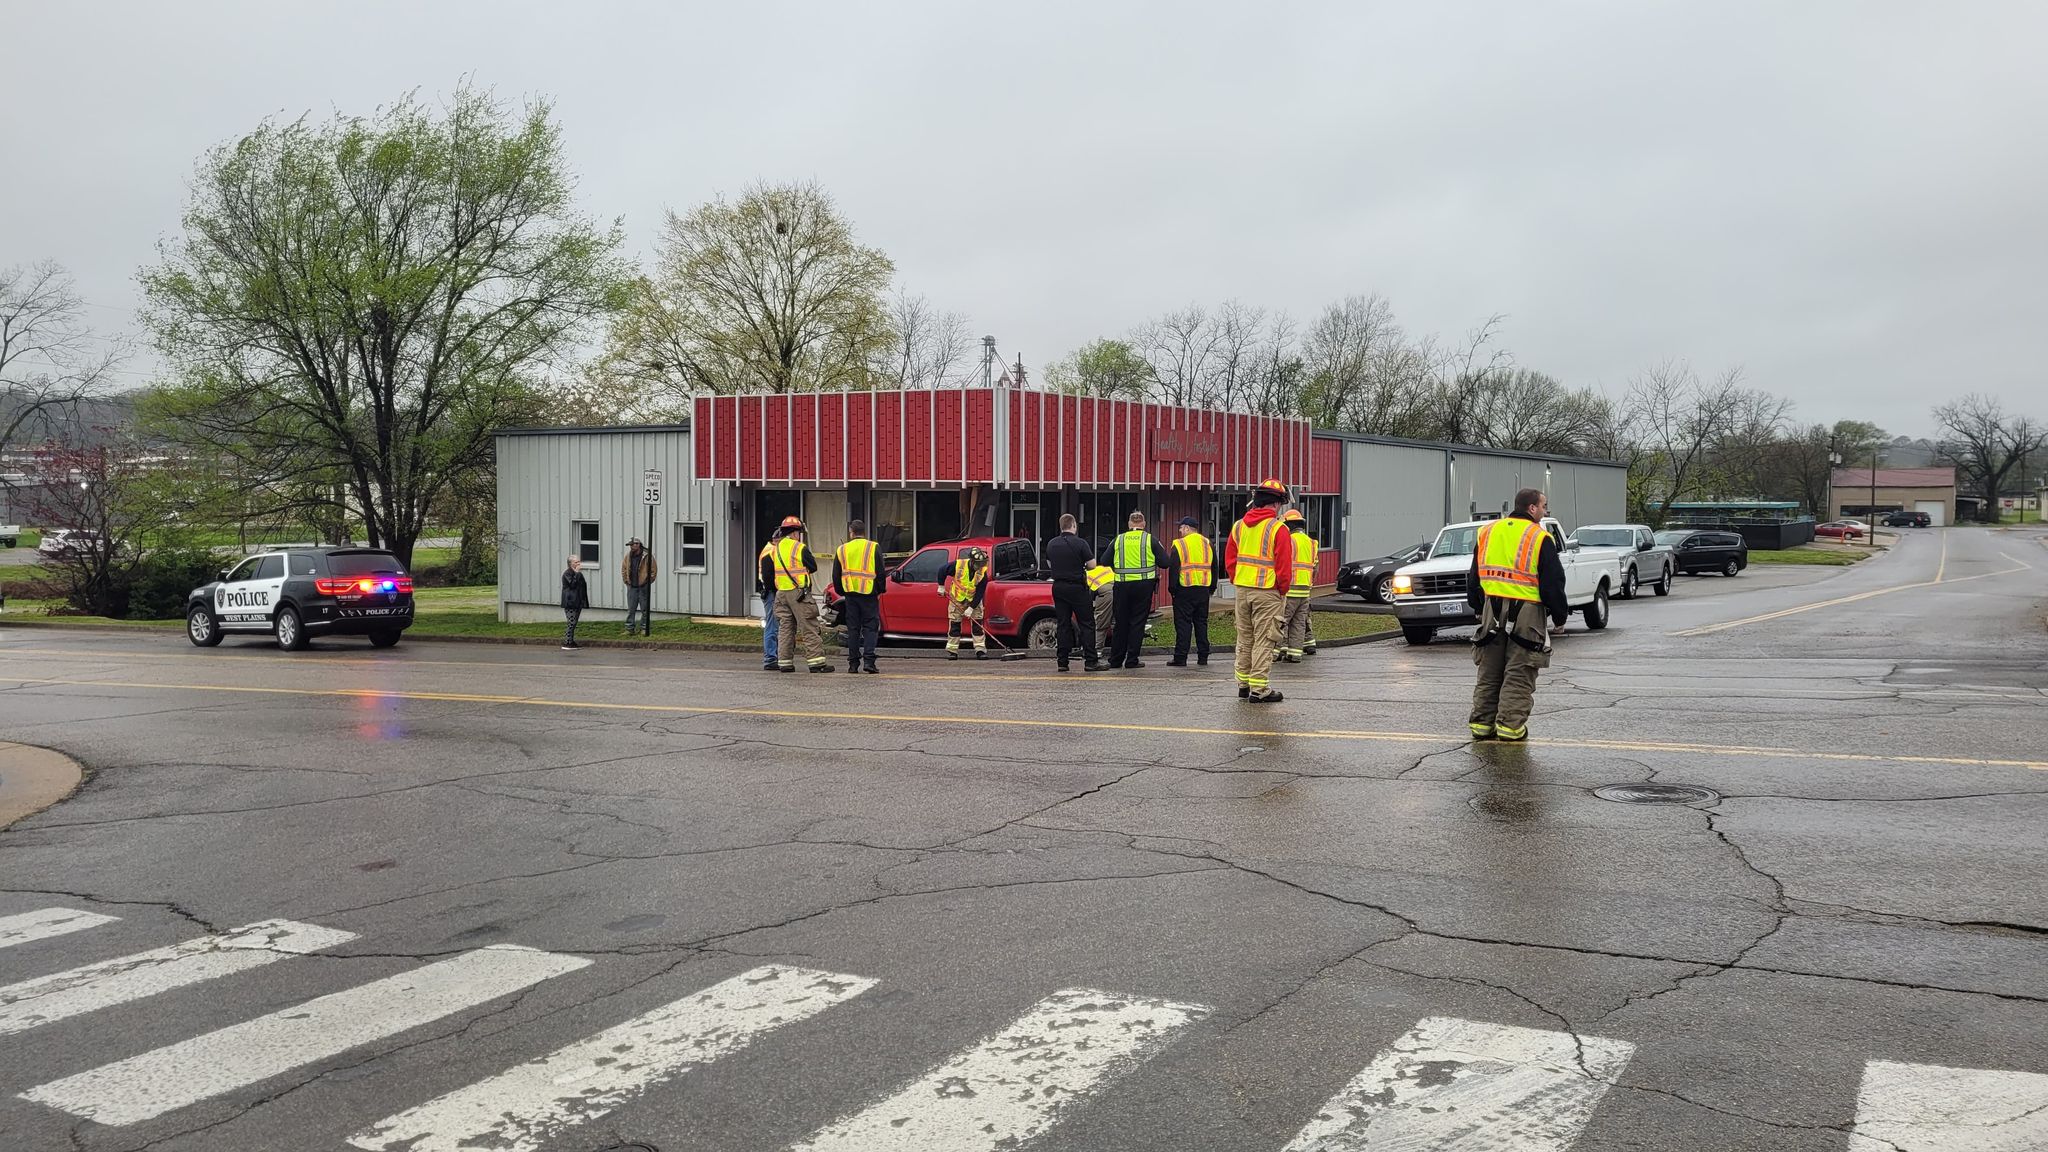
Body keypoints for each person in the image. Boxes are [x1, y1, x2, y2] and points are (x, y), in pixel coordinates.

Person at [1467, 487, 1569, 742]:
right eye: (1544, 506)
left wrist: (1478, 607)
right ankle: (1511, 727)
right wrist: (1560, 616)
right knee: (1520, 670)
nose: (1545, 511)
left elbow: (1474, 575)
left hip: (1492, 607)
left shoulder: (1487, 532)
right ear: (1532, 508)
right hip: (1527, 611)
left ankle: (1481, 724)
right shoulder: (1539, 537)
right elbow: (1553, 582)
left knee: (1489, 670)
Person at [1224, 479, 1295, 702]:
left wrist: (1238, 580)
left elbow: (1230, 560)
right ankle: (1259, 689)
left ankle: (1243, 684)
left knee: (1245, 638)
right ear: (1276, 504)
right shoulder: (1278, 528)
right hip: (1267, 591)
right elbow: (1284, 566)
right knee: (1265, 638)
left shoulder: (1239, 526)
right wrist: (1282, 590)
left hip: (1243, 590)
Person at [764, 515, 833, 673]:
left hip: (781, 594)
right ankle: (816, 663)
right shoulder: (799, 547)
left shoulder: (776, 549)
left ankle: (784, 662)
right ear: (795, 533)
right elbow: (813, 566)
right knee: (809, 626)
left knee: (786, 628)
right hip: (798, 594)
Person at [1103, 511, 1171, 669]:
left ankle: (1116, 660)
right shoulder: (1150, 539)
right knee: (1137, 623)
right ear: (1144, 524)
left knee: (1120, 623)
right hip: (1143, 587)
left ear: (1129, 524)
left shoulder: (1118, 540)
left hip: (1122, 586)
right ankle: (1132, 660)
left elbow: (1104, 561)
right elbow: (1165, 562)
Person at [1045, 514, 1108, 672]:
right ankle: (1091, 661)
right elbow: (1092, 565)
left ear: (1061, 526)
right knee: (1086, 623)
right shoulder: (1080, 543)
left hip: (1058, 587)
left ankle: (1062, 662)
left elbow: (1049, 563)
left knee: (1063, 624)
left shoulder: (1052, 543)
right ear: (1073, 525)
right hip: (1077, 587)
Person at [1166, 516, 1215, 667]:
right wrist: (1211, 588)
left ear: (1187, 528)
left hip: (1184, 590)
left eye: (1181, 527)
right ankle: (1203, 656)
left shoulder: (1179, 545)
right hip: (1203, 589)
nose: (1180, 530)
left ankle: (1181, 657)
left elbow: (1174, 569)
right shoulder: (1208, 543)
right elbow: (1215, 567)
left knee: (1183, 624)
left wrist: (1172, 590)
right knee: (1201, 623)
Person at [834, 520, 881, 674]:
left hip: (850, 594)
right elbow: (880, 571)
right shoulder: (873, 547)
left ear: (851, 532)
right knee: (870, 628)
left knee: (853, 629)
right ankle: (869, 662)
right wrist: (879, 589)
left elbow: (836, 574)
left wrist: (842, 591)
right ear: (864, 532)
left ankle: (853, 664)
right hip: (869, 594)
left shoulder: (842, 549)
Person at [1279, 509, 1316, 662]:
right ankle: (1295, 654)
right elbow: (1315, 568)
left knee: (1281, 621)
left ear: (1290, 525)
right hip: (1305, 590)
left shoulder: (1289, 540)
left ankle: (1275, 652)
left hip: (1290, 588)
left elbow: (1282, 563)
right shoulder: (1311, 542)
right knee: (1299, 623)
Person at [944, 546, 991, 659]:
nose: (981, 567)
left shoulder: (982, 573)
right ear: (972, 561)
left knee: (977, 626)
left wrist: (971, 608)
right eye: (979, 564)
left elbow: (980, 592)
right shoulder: (958, 565)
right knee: (955, 625)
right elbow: (942, 570)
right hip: (957, 599)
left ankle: (980, 650)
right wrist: (941, 586)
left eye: (982, 564)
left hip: (974, 599)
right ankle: (952, 651)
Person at [756, 528, 782, 671]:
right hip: (771, 593)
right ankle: (770, 658)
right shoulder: (771, 552)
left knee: (774, 625)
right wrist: (776, 589)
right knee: (772, 626)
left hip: (770, 592)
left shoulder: (769, 550)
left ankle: (773, 656)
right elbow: (767, 576)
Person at [621, 537, 657, 636]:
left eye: (633, 545)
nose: (631, 547)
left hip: (643, 587)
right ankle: (629, 629)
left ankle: (644, 628)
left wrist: (647, 582)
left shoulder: (647, 556)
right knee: (631, 609)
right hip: (632, 586)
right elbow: (624, 568)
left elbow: (653, 570)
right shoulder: (628, 556)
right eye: (630, 545)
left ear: (638, 545)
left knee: (644, 609)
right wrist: (626, 580)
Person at [559, 555, 588, 651]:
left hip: (577, 601)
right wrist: (576, 573)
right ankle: (567, 642)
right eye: (576, 562)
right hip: (570, 601)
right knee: (571, 622)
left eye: (579, 561)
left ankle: (571, 641)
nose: (578, 563)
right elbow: (572, 584)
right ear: (571, 563)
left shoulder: (578, 573)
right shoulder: (567, 573)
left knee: (574, 622)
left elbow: (583, 585)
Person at [1088, 560, 1115, 657]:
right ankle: (1119, 650)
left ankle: (1097, 650)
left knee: (1100, 622)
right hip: (1120, 589)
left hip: (1106, 593)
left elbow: (1089, 594)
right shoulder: (1103, 568)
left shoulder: (1086, 575)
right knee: (1116, 624)